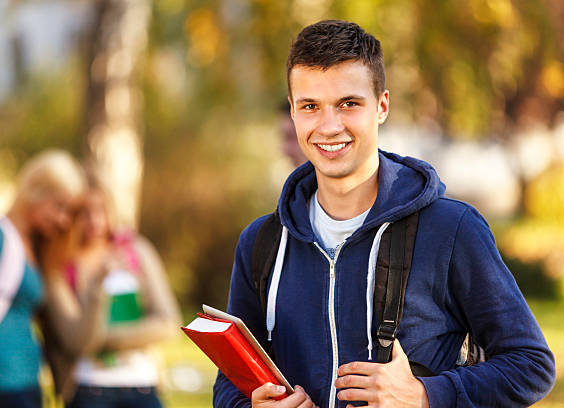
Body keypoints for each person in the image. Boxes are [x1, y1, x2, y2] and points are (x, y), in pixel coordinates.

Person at [213, 20, 555, 408]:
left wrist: (425, 395)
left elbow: (531, 365)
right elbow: (230, 379)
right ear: (292, 111)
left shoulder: (451, 229)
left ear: (382, 106)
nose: (329, 126)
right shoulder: (261, 243)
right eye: (310, 106)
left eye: (349, 104)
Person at [0, 149, 86, 408]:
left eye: (68, 211)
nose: (62, 220)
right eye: (58, 206)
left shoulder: (34, 245)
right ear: (34, 193)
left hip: (26, 381)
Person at [41, 177, 181, 408]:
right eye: (84, 212)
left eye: (101, 209)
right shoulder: (60, 266)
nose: (94, 220)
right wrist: (97, 286)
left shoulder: (136, 251)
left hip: (141, 384)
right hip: (88, 387)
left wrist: (104, 340)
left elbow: (168, 323)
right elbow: (75, 342)